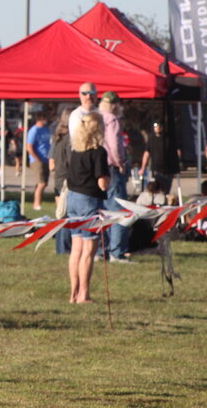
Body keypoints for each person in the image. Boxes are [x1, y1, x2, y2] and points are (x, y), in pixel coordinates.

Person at [66, 111, 109, 304]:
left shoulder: (76, 150)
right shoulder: (98, 152)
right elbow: (102, 184)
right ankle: (84, 293)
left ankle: (73, 294)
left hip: (73, 198)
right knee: (88, 250)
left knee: (76, 249)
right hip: (89, 200)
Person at [99, 91, 130, 262]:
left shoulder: (94, 117)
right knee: (118, 210)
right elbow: (114, 144)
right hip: (111, 167)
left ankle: (99, 250)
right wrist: (121, 162)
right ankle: (116, 252)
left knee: (100, 210)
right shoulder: (112, 119)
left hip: (97, 167)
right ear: (116, 105)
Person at [49, 109, 72, 254]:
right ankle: (64, 248)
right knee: (66, 215)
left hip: (58, 179)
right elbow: (72, 161)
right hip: (67, 180)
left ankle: (60, 248)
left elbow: (51, 163)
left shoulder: (57, 138)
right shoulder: (70, 139)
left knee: (60, 214)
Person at [138, 121, 180, 197]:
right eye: (155, 126)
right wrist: (143, 168)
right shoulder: (151, 139)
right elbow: (146, 154)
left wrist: (176, 164)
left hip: (168, 170)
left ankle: (164, 203)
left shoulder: (168, 138)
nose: (157, 128)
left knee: (165, 192)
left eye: (159, 126)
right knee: (154, 190)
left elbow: (177, 151)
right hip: (156, 170)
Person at [26, 111, 51, 211]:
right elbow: (29, 147)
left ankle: (38, 201)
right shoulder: (34, 130)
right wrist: (36, 158)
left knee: (43, 182)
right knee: (42, 183)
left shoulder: (45, 129)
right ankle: (36, 204)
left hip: (46, 158)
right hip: (37, 159)